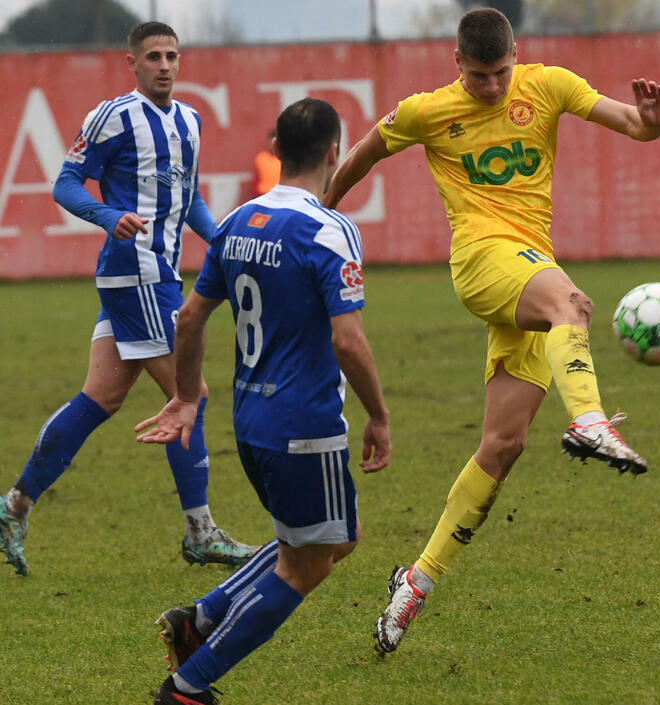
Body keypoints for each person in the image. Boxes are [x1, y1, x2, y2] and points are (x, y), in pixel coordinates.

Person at [322, 7, 660, 653]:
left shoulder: (549, 84)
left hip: (530, 267)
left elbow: (633, 124)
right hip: (482, 261)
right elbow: (365, 152)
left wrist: (653, 121)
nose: (491, 86)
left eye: (501, 73)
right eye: (478, 76)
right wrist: (321, 212)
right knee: (573, 304)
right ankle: (590, 420)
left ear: (517, 55)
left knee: (503, 446)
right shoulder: (427, 111)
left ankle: (414, 582)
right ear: (457, 62)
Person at [135, 97, 391, 705]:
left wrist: (187, 396)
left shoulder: (236, 223)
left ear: (276, 150)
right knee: (307, 565)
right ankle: (188, 686)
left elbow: (190, 317)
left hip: (251, 419)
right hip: (305, 424)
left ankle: (198, 619)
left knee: (339, 534)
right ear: (335, 152)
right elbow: (348, 341)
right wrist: (379, 415)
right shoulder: (328, 229)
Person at [0, 22, 257, 576]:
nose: (164, 65)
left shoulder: (189, 121)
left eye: (172, 56)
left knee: (101, 397)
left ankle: (13, 506)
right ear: (132, 63)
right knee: (191, 394)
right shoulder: (113, 116)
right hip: (135, 272)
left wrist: (223, 242)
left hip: (157, 275)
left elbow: (189, 200)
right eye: (154, 56)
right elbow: (66, 183)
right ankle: (201, 532)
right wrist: (107, 215)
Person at [252, 130, 281, 197]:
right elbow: (256, 179)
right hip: (263, 194)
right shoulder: (261, 157)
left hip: (281, 196)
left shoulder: (286, 159)